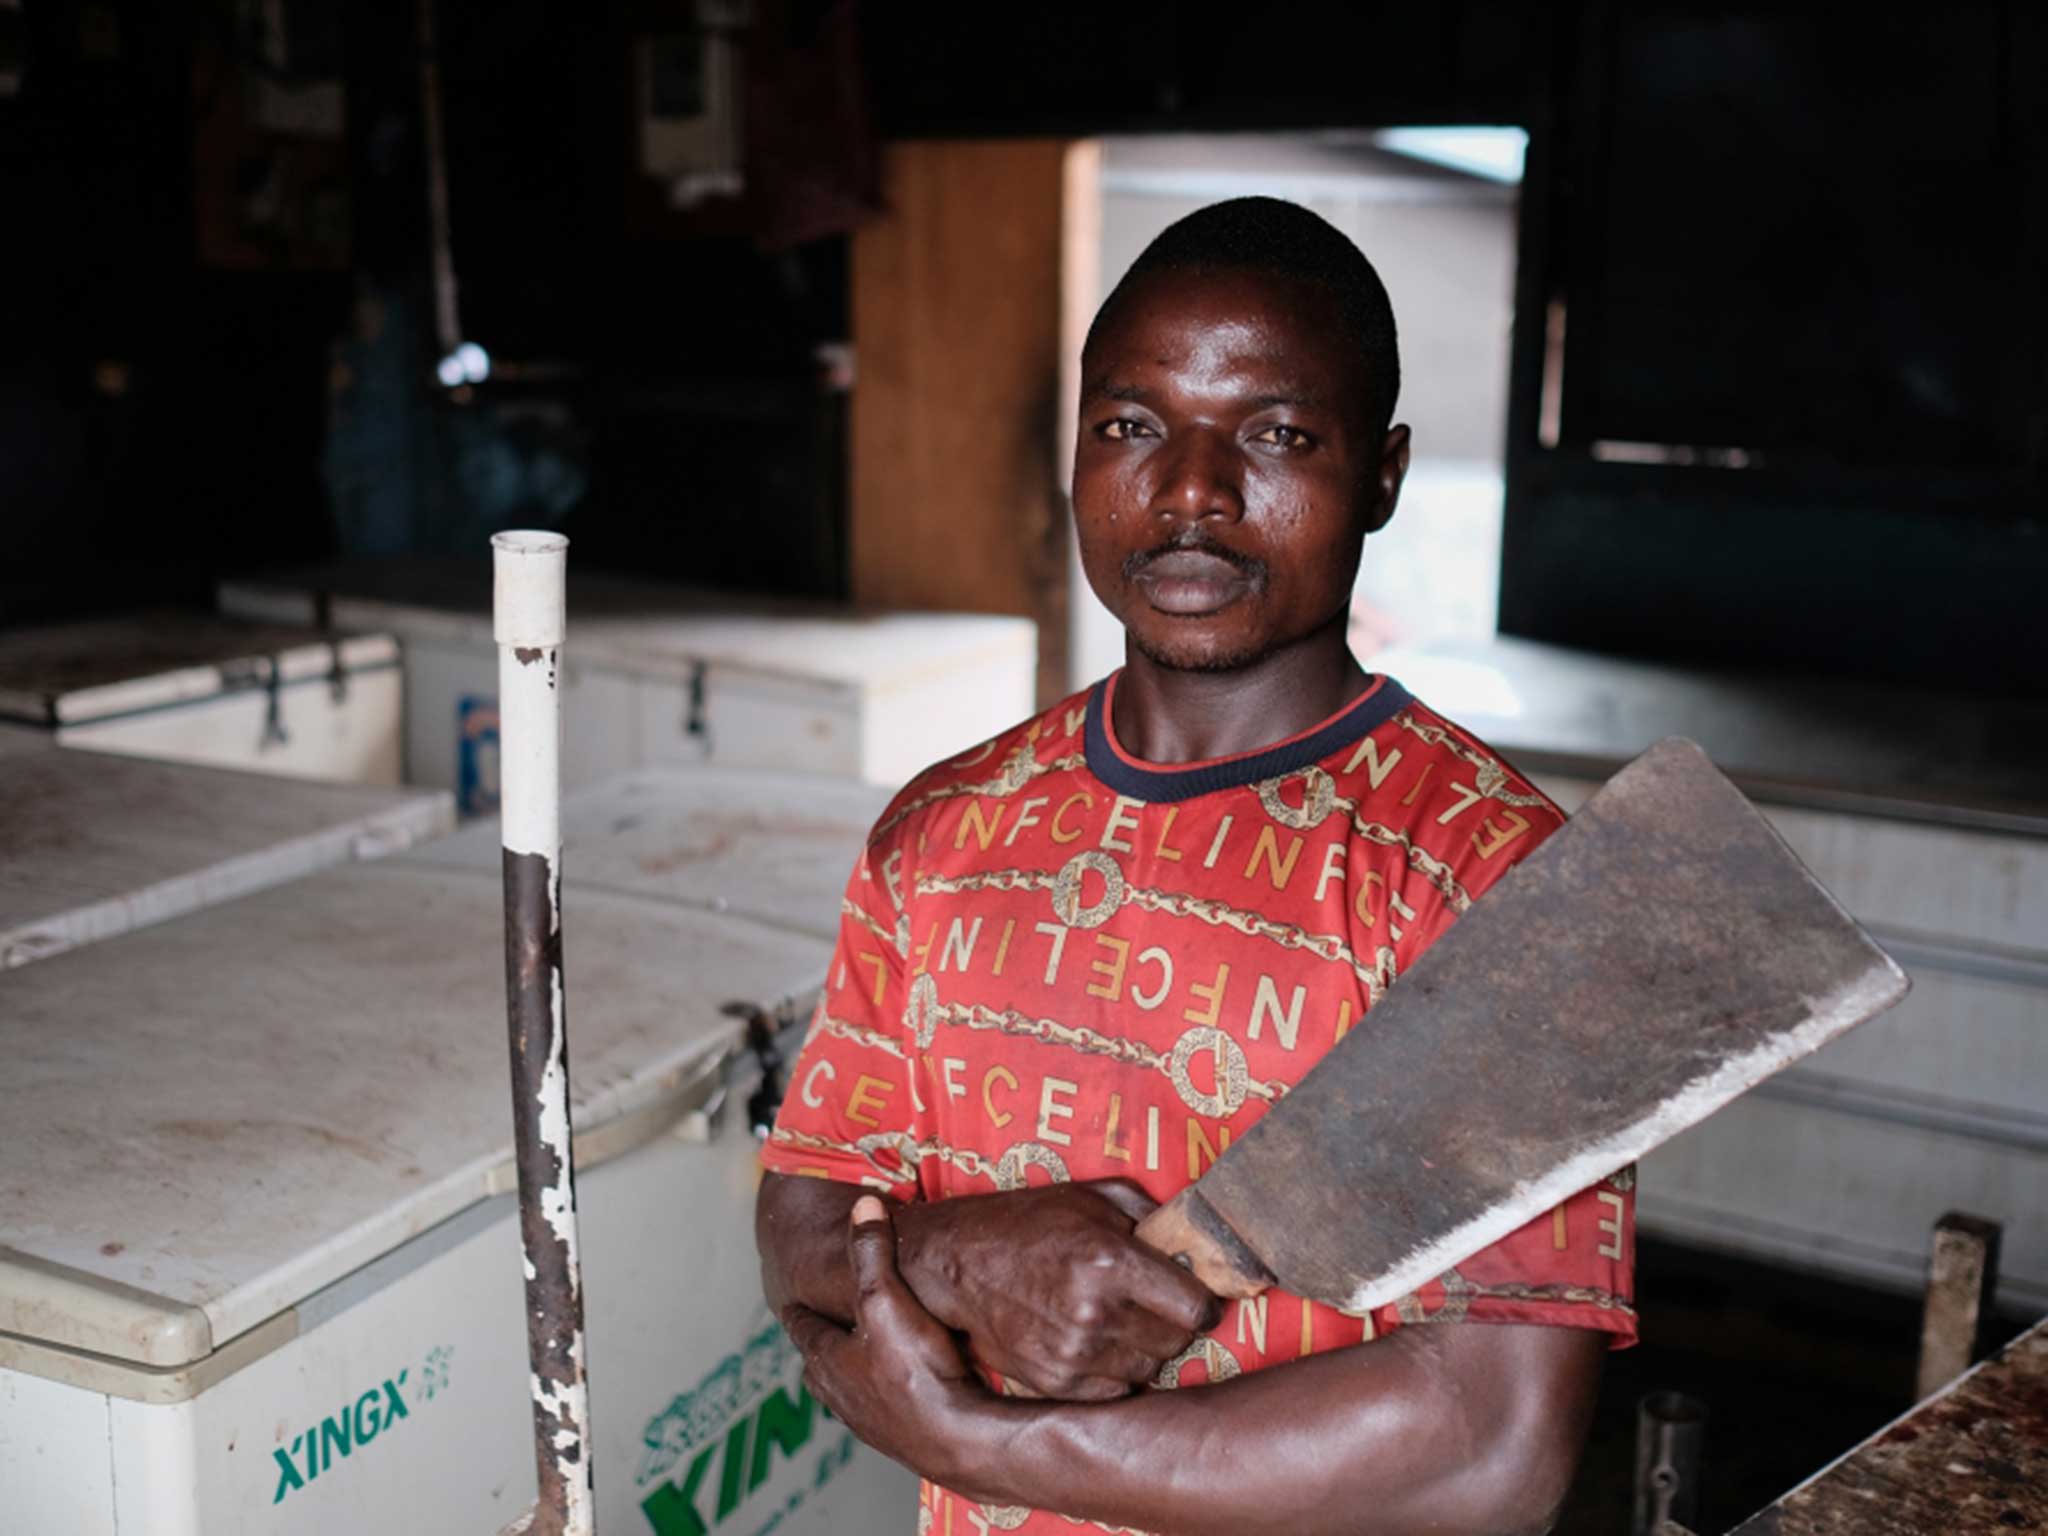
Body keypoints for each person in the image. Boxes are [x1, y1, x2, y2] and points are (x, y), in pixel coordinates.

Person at [755, 197, 1635, 1536]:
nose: (1189, 491)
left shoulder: (1491, 875)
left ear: (1384, 474)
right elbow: (805, 1223)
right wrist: (956, 1254)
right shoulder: (942, 831)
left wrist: (990, 1445)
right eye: (1131, 425)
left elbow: (1492, 1446)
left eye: (1276, 434)